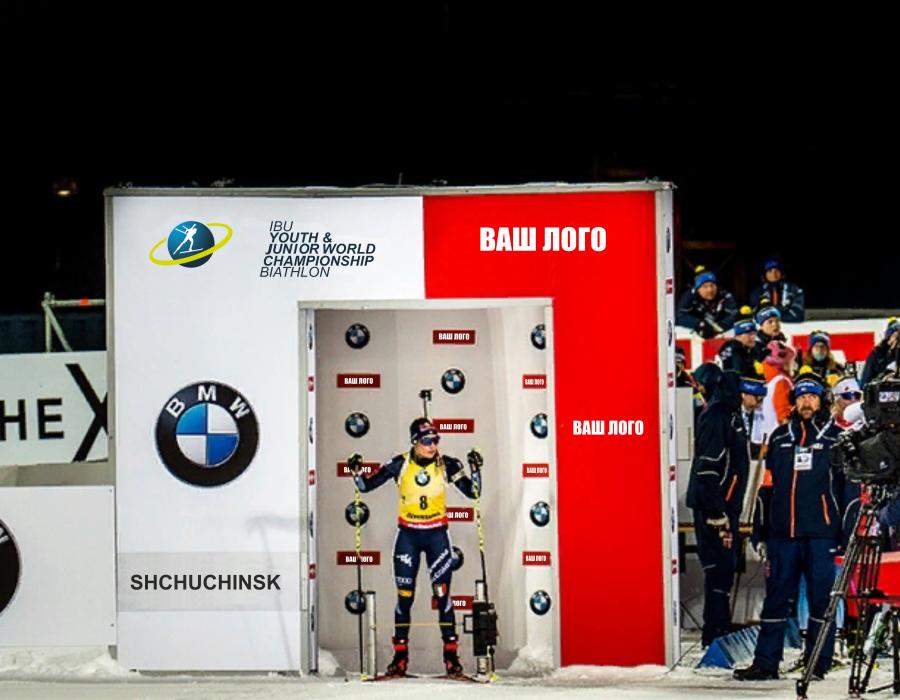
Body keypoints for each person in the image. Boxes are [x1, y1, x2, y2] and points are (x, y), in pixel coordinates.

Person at [348, 418, 483, 677]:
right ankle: (400, 658)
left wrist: (476, 470)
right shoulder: (399, 463)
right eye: (427, 441)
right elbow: (365, 486)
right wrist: (355, 470)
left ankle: (451, 658)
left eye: (436, 440)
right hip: (408, 537)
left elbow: (473, 492)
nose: (433, 446)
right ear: (415, 442)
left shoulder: (448, 464)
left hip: (436, 537)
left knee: (443, 595)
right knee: (405, 597)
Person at [735, 376, 844, 681]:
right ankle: (765, 663)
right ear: (794, 401)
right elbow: (766, 487)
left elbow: (847, 490)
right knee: (776, 599)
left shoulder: (837, 438)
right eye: (801, 397)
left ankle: (818, 662)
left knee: (821, 601)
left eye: (812, 397)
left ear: (821, 400)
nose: (806, 402)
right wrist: (760, 529)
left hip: (822, 534)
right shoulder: (780, 437)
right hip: (783, 535)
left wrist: (845, 534)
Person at [686, 370, 767, 647]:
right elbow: (707, 468)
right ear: (742, 393)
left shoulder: (732, 414)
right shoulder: (718, 415)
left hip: (725, 507)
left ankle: (720, 626)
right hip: (715, 509)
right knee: (717, 569)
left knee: (725, 569)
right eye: (756, 397)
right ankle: (713, 632)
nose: (759, 402)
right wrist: (716, 512)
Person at [676, 266, 738, 338]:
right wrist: (699, 324)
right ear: (698, 288)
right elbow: (679, 316)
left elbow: (733, 315)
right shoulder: (689, 295)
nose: (710, 290)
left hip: (720, 330)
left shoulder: (725, 295)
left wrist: (720, 326)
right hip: (696, 330)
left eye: (712, 285)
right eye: (705, 286)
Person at [748, 256, 806, 323]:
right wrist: (782, 312)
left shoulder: (794, 289)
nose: (774, 274)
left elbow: (798, 315)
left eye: (777, 270)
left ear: (782, 272)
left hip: (790, 327)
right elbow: (755, 316)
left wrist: (772, 315)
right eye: (769, 271)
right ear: (764, 274)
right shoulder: (756, 293)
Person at [759, 340, 795, 440]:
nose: (793, 364)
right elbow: (784, 415)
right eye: (791, 360)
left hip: (763, 435)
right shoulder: (781, 382)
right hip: (778, 437)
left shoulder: (762, 377)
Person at [861, 317, 900, 387]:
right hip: (880, 389)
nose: (897, 341)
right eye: (895, 336)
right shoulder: (877, 354)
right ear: (888, 337)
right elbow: (865, 381)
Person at [718, 310, 758, 375]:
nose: (753, 337)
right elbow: (741, 373)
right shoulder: (737, 349)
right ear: (738, 336)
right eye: (749, 334)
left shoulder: (730, 344)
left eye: (754, 334)